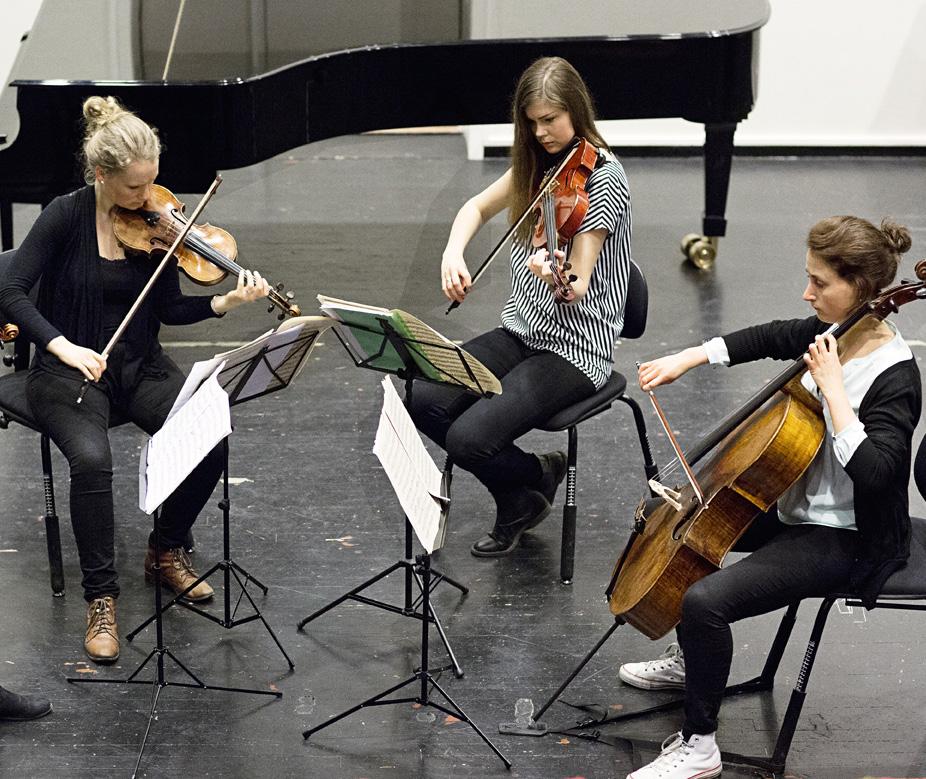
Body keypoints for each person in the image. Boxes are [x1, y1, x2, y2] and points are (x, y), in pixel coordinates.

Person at [620, 216, 920, 779]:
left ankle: (701, 747)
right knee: (686, 524)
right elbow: (766, 336)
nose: (808, 293)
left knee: (706, 601)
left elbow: (878, 476)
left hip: (848, 537)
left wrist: (834, 392)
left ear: (861, 288)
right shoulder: (832, 332)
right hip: (794, 505)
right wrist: (689, 357)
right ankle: (694, 661)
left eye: (820, 283)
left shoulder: (894, 376)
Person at [0, 96, 270, 664]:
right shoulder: (64, 216)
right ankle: (102, 598)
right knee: (94, 461)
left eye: (152, 185)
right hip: (68, 371)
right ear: (101, 176)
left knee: (210, 437)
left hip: (138, 366)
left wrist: (225, 302)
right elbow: (10, 291)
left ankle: (166, 548)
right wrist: (62, 344)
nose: (148, 201)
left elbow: (169, 310)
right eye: (133, 189)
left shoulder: (157, 223)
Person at [408, 56, 633, 557]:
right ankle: (526, 486)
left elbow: (577, 280)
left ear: (575, 111)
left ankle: (527, 485)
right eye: (531, 122)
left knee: (468, 438)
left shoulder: (603, 179)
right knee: (423, 400)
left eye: (550, 120)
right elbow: (474, 208)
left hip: (576, 350)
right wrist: (453, 252)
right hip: (521, 331)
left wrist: (554, 273)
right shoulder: (539, 167)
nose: (541, 132)